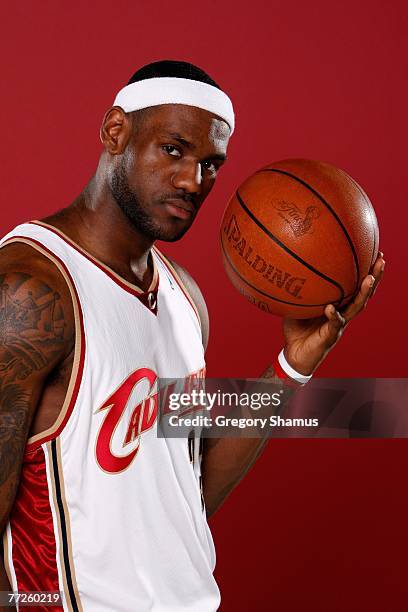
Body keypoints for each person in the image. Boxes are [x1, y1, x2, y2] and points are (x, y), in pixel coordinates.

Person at [0, 60, 384, 611]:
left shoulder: (185, 299)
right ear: (116, 132)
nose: (192, 181)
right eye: (173, 150)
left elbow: (188, 490)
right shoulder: (30, 288)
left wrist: (292, 366)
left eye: (211, 164)